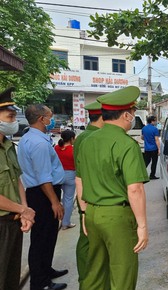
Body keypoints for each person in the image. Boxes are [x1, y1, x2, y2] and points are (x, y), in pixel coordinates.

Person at [77, 86, 149, 290]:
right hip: (116, 217)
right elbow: (135, 189)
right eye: (133, 113)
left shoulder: (87, 141)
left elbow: (79, 180)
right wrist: (142, 226)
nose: (133, 117)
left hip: (92, 213)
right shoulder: (127, 144)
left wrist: (84, 213)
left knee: (95, 272)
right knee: (122, 272)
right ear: (126, 115)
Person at [18, 104, 68, 290]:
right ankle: (40, 283)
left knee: (47, 236)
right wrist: (55, 202)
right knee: (41, 239)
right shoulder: (38, 143)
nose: (51, 119)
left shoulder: (29, 138)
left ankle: (46, 270)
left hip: (40, 192)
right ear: (41, 119)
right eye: (50, 116)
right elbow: (43, 176)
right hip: (43, 194)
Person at [0, 87, 36, 290]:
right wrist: (23, 210)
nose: (14, 121)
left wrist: (24, 209)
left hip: (13, 222)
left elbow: (17, 180)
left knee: (11, 277)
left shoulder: (8, 146)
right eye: (10, 116)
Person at [73, 101, 104, 285]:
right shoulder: (91, 138)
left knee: (88, 239)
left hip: (87, 195)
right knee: (87, 241)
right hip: (90, 197)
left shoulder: (84, 135)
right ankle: (87, 278)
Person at [54, 130, 77, 230]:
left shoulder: (56, 148)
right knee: (68, 199)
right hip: (70, 175)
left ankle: (56, 219)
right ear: (71, 139)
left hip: (57, 175)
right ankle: (65, 223)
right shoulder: (73, 150)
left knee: (57, 199)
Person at [142, 115, 161, 180]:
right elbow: (157, 140)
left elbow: (142, 137)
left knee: (146, 162)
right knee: (154, 162)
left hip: (147, 149)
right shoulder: (155, 129)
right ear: (152, 121)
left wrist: (147, 140)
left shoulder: (144, 128)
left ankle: (141, 174)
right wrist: (159, 149)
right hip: (154, 149)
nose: (156, 122)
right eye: (155, 121)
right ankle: (152, 175)